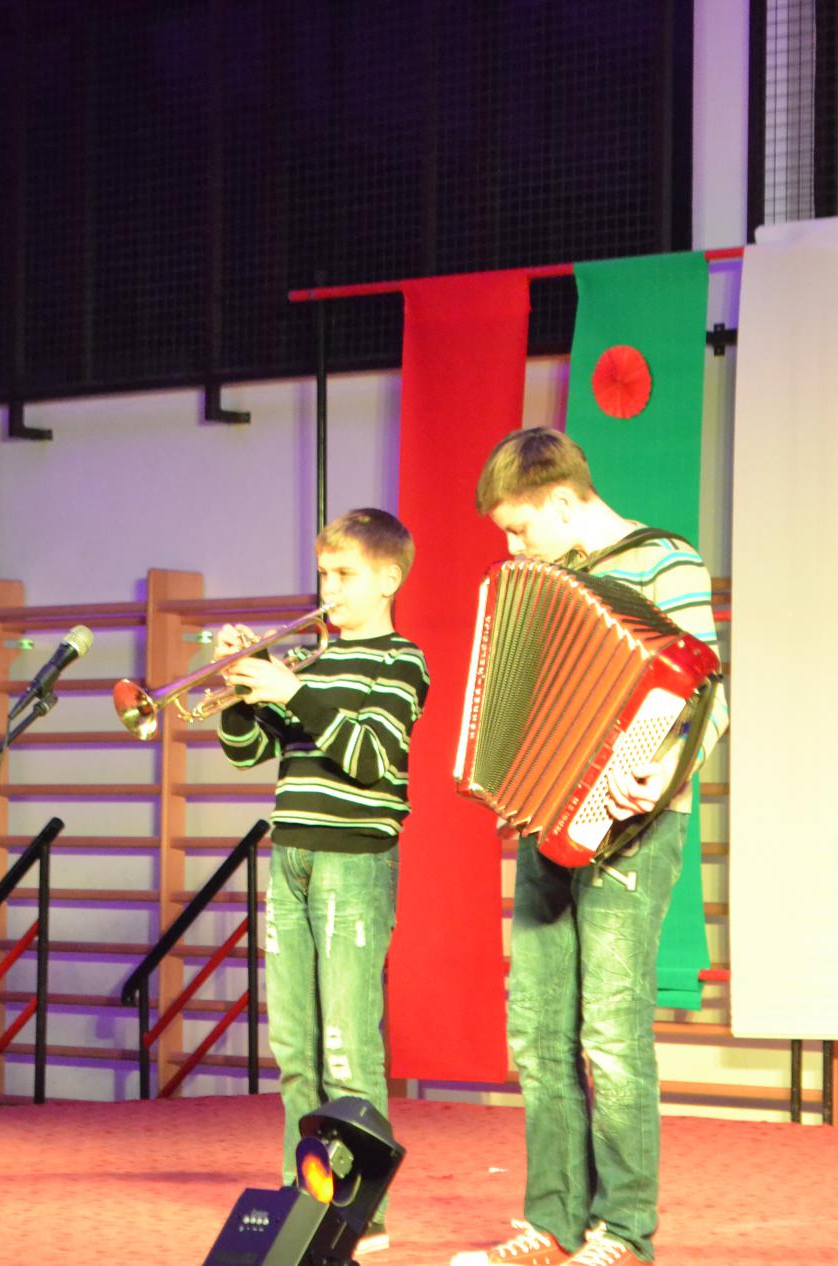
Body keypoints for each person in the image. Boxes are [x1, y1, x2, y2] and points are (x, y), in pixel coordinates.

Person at [454, 429, 728, 1266]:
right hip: (552, 825)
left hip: (636, 830)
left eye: (520, 528)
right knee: (538, 1032)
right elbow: (539, 700)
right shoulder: (549, 580)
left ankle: (624, 1233)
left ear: (566, 502)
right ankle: (551, 1224)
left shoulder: (668, 563)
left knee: (609, 1034)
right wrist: (516, 780)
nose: (513, 547)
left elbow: (710, 691)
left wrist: (665, 769)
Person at [215, 507, 429, 1255]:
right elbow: (247, 752)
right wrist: (239, 689)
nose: (328, 590)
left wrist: (291, 690)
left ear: (388, 579)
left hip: (352, 860)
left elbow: (371, 757)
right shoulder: (309, 663)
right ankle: (305, 1200)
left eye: (344, 575)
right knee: (294, 1047)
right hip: (291, 856)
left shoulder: (401, 662)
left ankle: (362, 1214)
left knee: (347, 1045)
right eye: (323, 575)